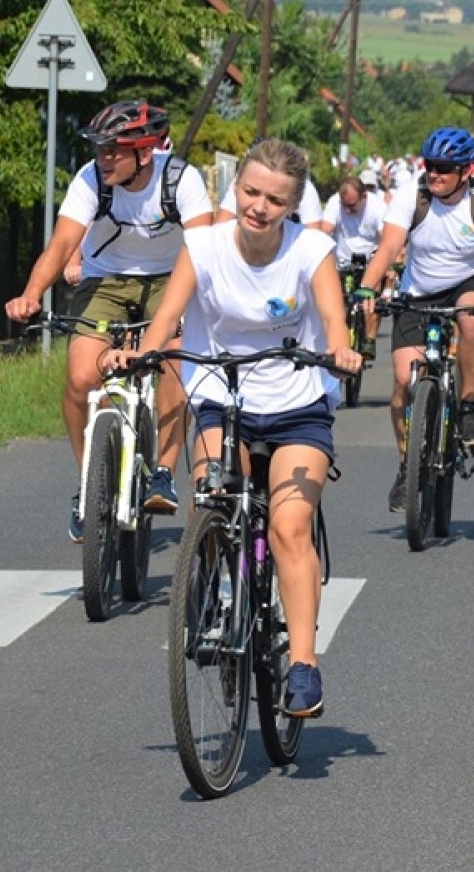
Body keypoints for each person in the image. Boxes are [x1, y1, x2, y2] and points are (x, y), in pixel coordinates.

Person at [101, 138, 360, 718]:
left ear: (291, 205)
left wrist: (340, 350)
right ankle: (216, 586)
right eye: (250, 192)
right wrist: (142, 353)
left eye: (275, 199)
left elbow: (333, 317)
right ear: (235, 188)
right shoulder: (203, 245)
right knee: (215, 494)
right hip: (220, 395)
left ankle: (303, 666)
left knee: (290, 526)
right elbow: (168, 315)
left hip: (297, 403)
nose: (259, 207)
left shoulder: (311, 249)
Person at [5, 100, 213, 541]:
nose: (104, 158)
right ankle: (89, 483)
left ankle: (162, 472)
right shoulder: (90, 179)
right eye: (100, 149)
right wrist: (30, 294)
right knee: (81, 377)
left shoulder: (181, 180)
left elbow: (203, 251)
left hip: (170, 278)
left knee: (174, 358)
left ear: (145, 152)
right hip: (105, 281)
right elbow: (63, 244)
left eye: (114, 150)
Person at [353, 126, 474, 510]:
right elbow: (389, 247)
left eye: (444, 168)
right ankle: (406, 465)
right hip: (419, 288)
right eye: (430, 166)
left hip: (469, 281)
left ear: (465, 171)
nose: (435, 174)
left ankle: (470, 404)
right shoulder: (412, 196)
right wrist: (367, 287)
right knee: (403, 381)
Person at [321, 174, 386, 358]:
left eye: (352, 206)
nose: (347, 211)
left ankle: (369, 339)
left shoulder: (378, 207)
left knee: (371, 300)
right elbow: (324, 230)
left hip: (370, 261)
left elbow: (387, 240)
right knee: (336, 303)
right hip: (342, 260)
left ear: (364, 197)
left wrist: (387, 269)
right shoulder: (335, 202)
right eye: (344, 206)